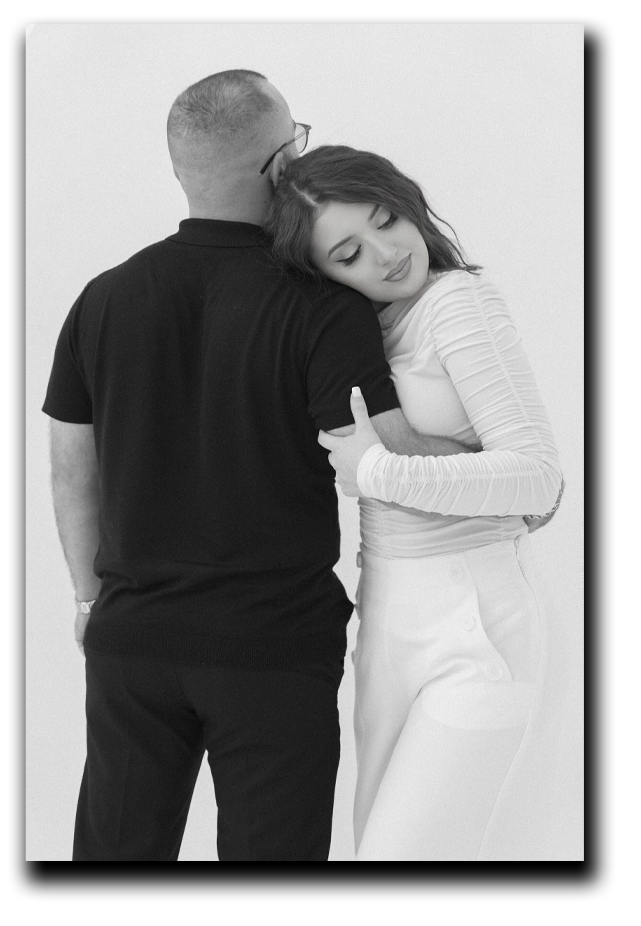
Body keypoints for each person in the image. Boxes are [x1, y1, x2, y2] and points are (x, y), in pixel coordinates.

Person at [42, 72, 478, 861]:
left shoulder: (103, 297)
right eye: (297, 142)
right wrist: (498, 464)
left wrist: (86, 596)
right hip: (273, 647)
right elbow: (387, 454)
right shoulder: (324, 306)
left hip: (133, 638)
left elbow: (73, 466)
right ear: (280, 166)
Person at [266, 145, 567, 861]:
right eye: (349, 253)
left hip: (475, 618)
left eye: (386, 220)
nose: (387, 253)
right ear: (323, 273)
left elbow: (538, 480)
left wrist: (377, 469)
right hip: (388, 616)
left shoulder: (454, 302)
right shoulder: (357, 330)